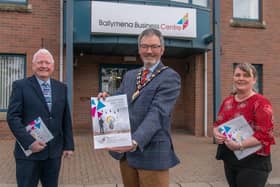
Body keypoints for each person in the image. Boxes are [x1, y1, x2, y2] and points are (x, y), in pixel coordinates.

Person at [98, 28, 181, 187]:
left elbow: (158, 113)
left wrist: (135, 140)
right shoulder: (130, 76)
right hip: (126, 153)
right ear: (139, 49)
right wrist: (106, 99)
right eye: (144, 46)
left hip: (152, 153)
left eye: (154, 46)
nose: (149, 51)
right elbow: (120, 100)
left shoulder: (170, 77)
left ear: (162, 50)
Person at [7, 48, 74, 187]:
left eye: (47, 62)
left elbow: (65, 118)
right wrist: (30, 142)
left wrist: (68, 145)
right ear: (33, 65)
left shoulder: (61, 87)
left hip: (53, 153)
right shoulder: (20, 86)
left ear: (53, 66)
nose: (44, 66)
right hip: (29, 154)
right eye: (40, 62)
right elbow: (13, 117)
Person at [213, 63, 275, 187]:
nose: (241, 78)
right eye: (237, 75)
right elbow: (218, 124)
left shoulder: (261, 102)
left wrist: (239, 145)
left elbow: (265, 134)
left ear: (254, 80)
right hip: (230, 159)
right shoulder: (228, 101)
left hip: (254, 162)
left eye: (246, 75)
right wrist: (217, 133)